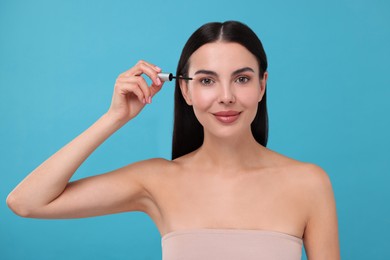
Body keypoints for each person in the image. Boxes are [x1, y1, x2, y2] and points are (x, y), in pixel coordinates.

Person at [7, 21, 340, 259]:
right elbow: (27, 201)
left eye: (241, 79)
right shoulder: (157, 181)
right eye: (207, 80)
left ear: (262, 86)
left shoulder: (308, 183)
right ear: (185, 89)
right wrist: (115, 117)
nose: (226, 96)